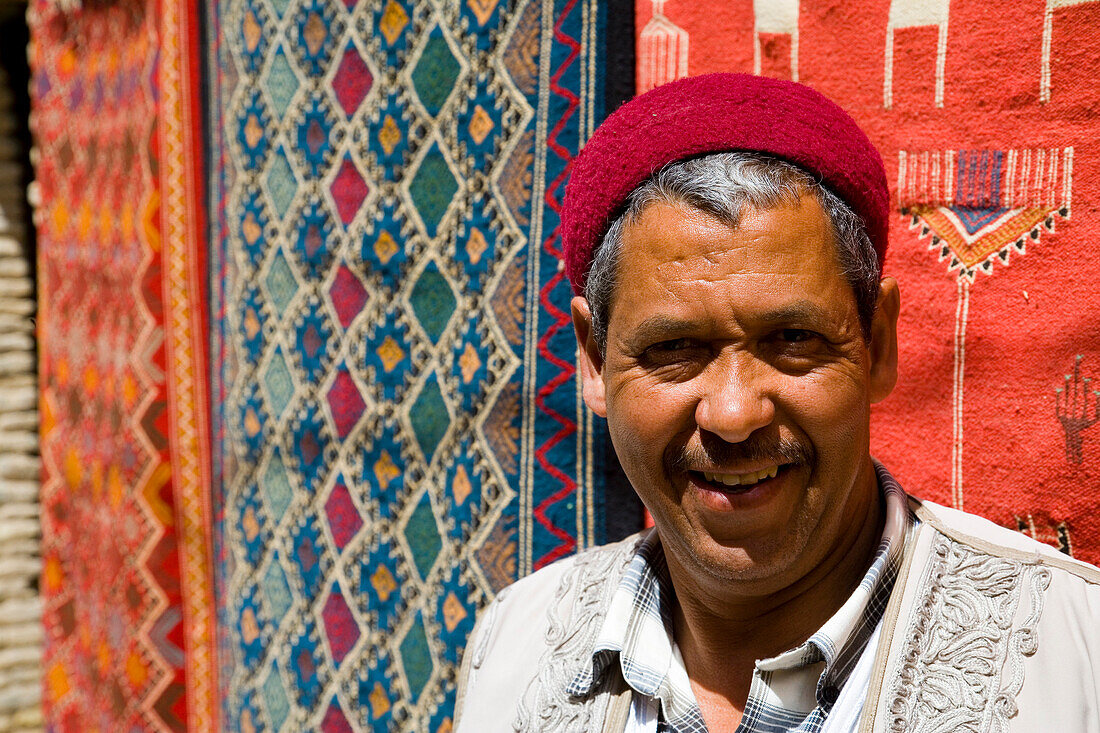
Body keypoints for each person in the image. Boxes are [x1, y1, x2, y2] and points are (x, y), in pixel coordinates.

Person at [453, 73, 1100, 733]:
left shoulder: (1073, 655)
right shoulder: (514, 652)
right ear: (593, 360)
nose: (734, 414)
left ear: (876, 343)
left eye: (793, 339)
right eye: (675, 347)